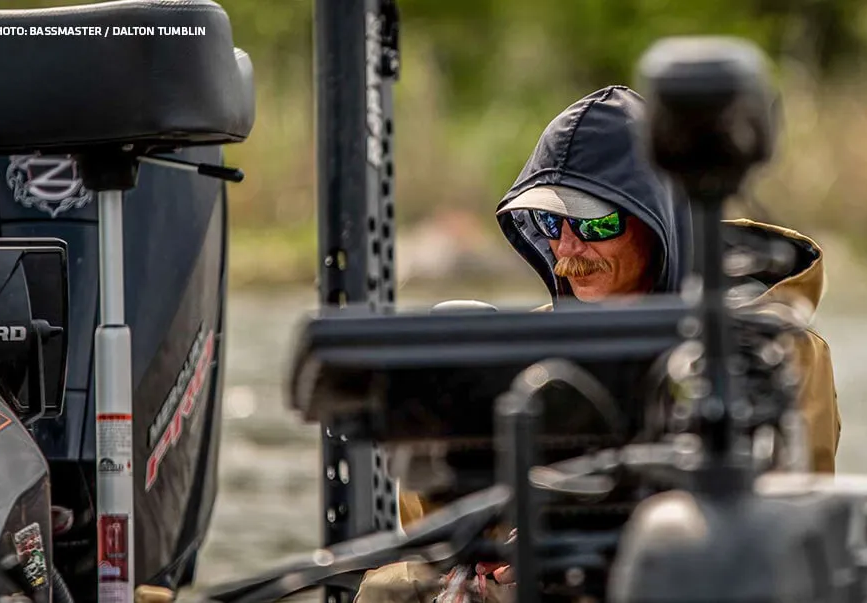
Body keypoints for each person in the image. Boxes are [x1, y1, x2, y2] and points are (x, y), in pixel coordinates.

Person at [356, 85, 841, 603]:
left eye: (594, 222)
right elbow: (430, 535)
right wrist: (485, 559)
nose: (566, 246)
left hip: (688, 582)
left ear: (661, 227)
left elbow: (789, 540)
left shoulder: (775, 354)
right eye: (549, 222)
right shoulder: (507, 353)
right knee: (391, 588)